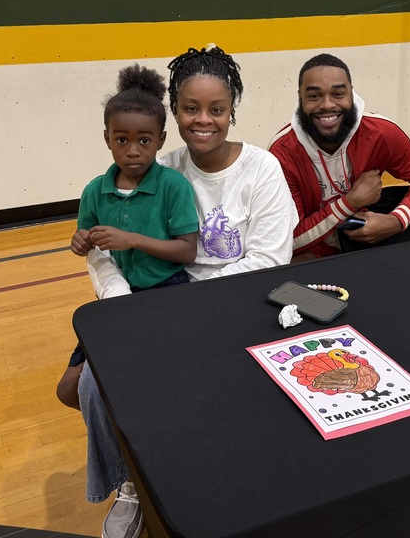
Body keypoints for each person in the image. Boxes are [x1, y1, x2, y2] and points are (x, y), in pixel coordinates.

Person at [74, 44, 297, 538]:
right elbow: (102, 245)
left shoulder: (261, 170)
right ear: (173, 110)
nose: (203, 120)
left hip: (237, 303)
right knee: (89, 385)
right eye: (190, 108)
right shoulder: (156, 166)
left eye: (216, 109)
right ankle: (131, 483)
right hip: (157, 302)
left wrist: (188, 306)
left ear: (233, 108)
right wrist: (117, 297)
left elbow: (267, 260)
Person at [55, 64, 199, 408]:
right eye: (122, 140)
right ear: (107, 138)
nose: (133, 150)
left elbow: (187, 252)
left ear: (161, 140)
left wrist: (132, 240)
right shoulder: (95, 191)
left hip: (169, 288)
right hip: (120, 293)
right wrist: (80, 241)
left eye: (144, 141)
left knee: (168, 371)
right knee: (68, 390)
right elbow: (86, 237)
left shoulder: (172, 186)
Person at [268, 53, 410, 258]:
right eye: (314, 96)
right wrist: (350, 202)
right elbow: (287, 240)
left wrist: (396, 221)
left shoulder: (380, 132)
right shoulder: (282, 153)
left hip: (364, 240)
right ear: (300, 98)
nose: (327, 105)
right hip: (313, 251)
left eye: (338, 94)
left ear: (351, 94)